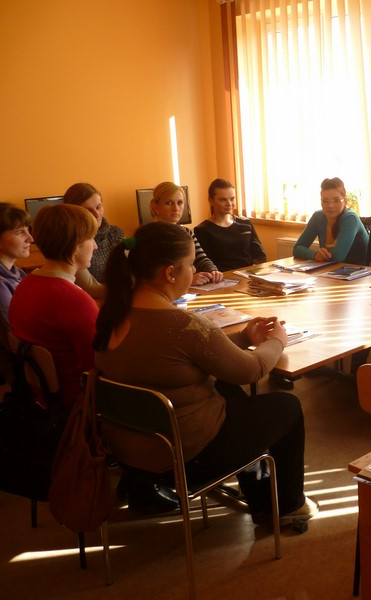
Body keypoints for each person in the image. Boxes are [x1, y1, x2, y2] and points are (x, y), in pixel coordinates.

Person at [93, 221, 316, 524]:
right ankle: (287, 506)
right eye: (189, 265)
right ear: (170, 273)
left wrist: (244, 338)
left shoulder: (112, 314)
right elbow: (253, 369)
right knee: (286, 406)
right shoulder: (184, 326)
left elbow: (185, 357)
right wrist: (277, 341)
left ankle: (261, 495)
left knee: (229, 391)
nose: (193, 271)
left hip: (130, 451)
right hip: (186, 458)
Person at [8, 204, 99, 407]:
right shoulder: (74, 300)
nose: (95, 246)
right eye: (91, 239)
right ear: (75, 246)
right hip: (79, 404)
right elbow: (100, 364)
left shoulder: (25, 285)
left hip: (44, 400)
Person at [151, 181, 224, 286]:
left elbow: (201, 258)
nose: (176, 208)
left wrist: (213, 271)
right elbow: (155, 275)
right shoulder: (150, 236)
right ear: (155, 206)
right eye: (169, 203)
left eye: (180, 203)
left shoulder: (186, 232)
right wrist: (188, 281)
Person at [0, 203, 33, 390]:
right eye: (20, 232)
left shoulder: (16, 272)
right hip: (16, 369)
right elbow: (15, 340)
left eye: (27, 230)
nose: (30, 238)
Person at [194, 178, 267, 271]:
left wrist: (254, 268)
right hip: (223, 277)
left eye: (232, 199)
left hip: (249, 274)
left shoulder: (245, 224)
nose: (229, 204)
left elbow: (260, 255)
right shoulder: (202, 230)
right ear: (211, 201)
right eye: (222, 200)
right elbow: (204, 264)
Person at [293, 177, 368, 265]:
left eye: (336, 200)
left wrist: (321, 256)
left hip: (361, 270)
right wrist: (315, 254)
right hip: (333, 270)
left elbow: (338, 257)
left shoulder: (350, 218)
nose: (330, 205)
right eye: (325, 201)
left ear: (345, 201)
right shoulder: (318, 217)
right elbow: (297, 249)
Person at [62, 182, 124, 281]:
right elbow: (89, 285)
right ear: (73, 213)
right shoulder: (71, 240)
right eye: (88, 210)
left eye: (98, 207)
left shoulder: (115, 233)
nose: (97, 214)